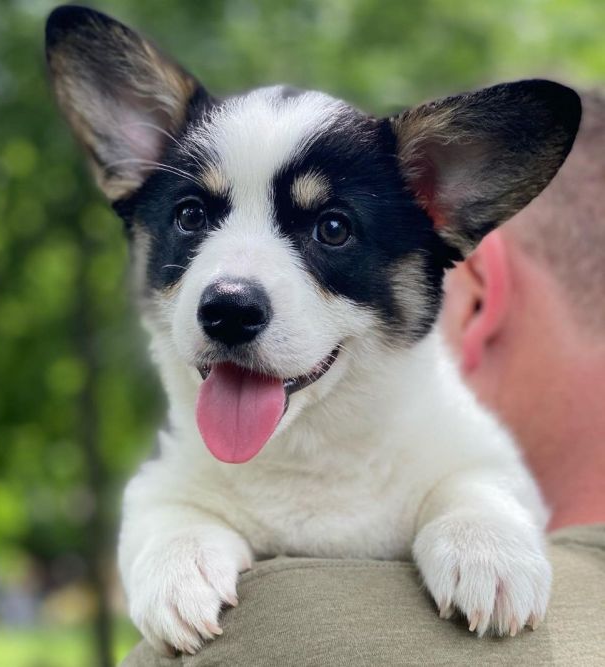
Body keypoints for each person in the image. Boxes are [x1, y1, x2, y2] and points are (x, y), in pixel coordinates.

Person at [123, 91, 604, 666]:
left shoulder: (449, 460)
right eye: (193, 217)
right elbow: (160, 506)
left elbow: (484, 479)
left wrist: (471, 512)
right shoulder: (186, 489)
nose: (230, 291)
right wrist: (174, 539)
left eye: (331, 227)